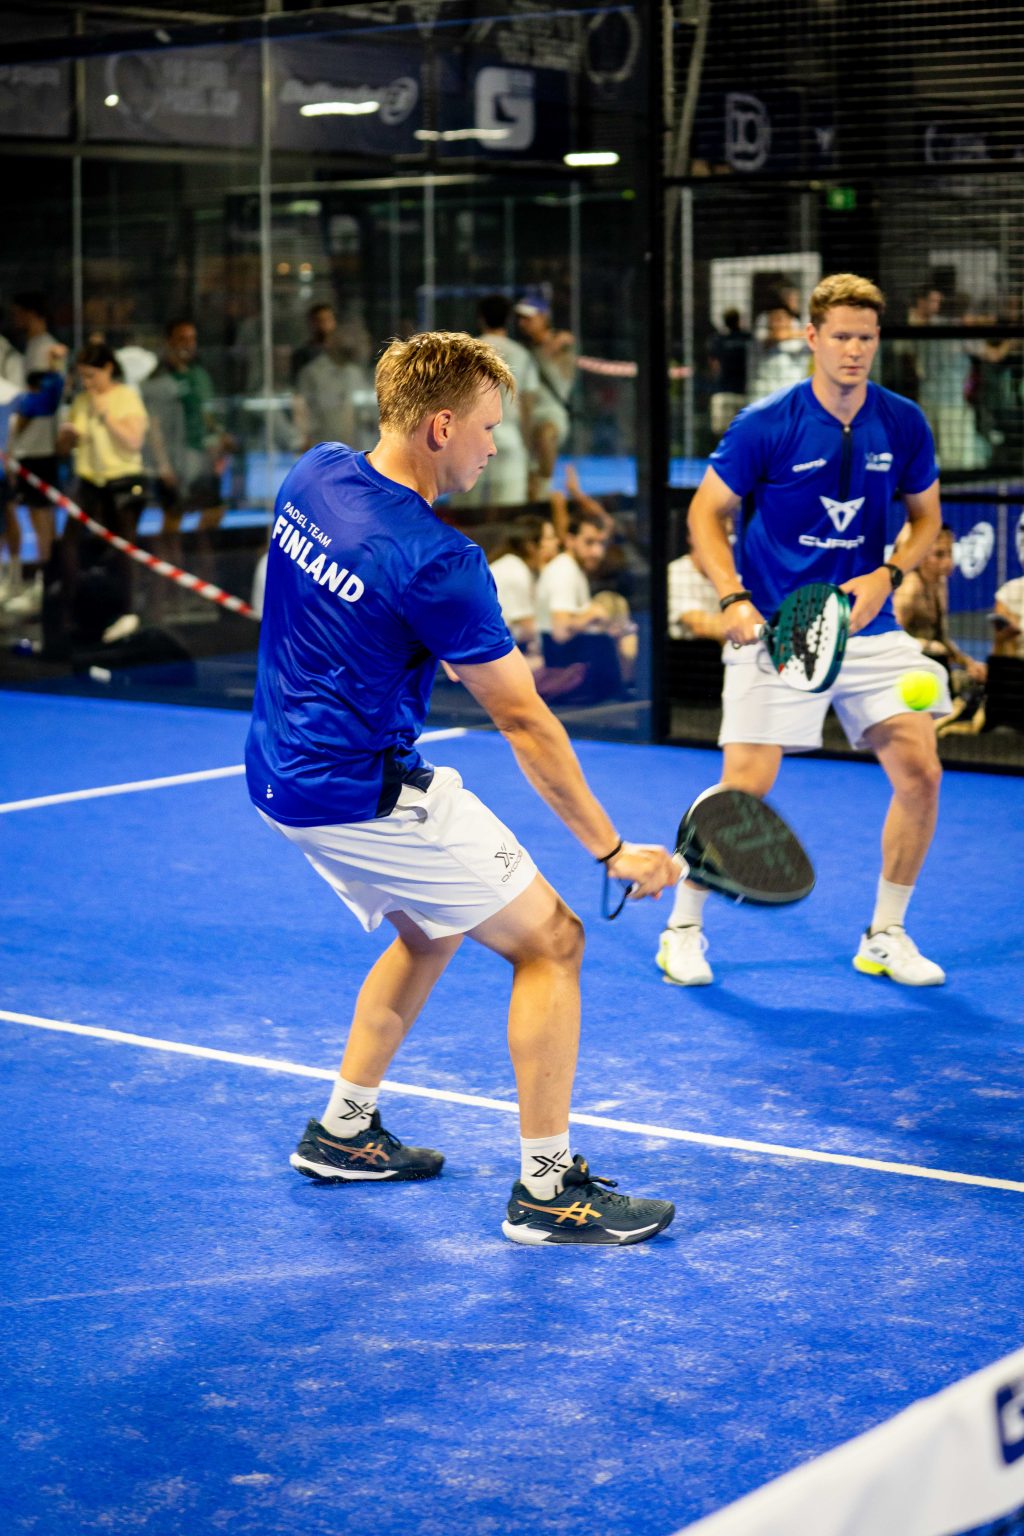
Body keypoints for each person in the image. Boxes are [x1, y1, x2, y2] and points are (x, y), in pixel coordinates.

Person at [245, 330, 678, 1247]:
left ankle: (344, 1132)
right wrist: (613, 850)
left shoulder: (314, 474)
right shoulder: (440, 561)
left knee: (433, 926)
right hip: (360, 790)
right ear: (440, 426)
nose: (493, 445)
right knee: (553, 942)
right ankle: (548, 1192)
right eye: (487, 427)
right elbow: (525, 722)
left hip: (277, 771)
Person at [657, 272, 951, 990]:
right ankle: (681, 931)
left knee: (921, 773)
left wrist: (889, 574)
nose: (854, 350)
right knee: (743, 788)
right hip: (778, 631)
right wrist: (732, 597)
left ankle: (885, 935)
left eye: (866, 337)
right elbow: (704, 514)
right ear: (813, 338)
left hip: (870, 627)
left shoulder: (903, 421)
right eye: (841, 336)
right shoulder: (767, 422)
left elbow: (927, 519)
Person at [52, 342, 149, 647]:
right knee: (70, 542)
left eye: (91, 375)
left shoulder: (126, 397)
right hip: (90, 481)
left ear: (108, 369)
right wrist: (67, 437)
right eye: (82, 376)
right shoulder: (82, 400)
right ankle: (69, 607)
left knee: (124, 547)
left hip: (122, 481)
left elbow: (133, 442)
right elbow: (64, 448)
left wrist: (105, 415)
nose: (87, 382)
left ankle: (128, 610)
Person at [535, 506, 635, 700]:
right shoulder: (564, 571)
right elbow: (560, 632)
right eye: (589, 542)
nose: (597, 551)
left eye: (601, 543)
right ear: (570, 540)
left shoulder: (572, 569)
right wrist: (593, 614)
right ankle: (628, 686)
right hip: (565, 669)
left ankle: (628, 686)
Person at [4, 294, 64, 612]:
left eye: (19, 313)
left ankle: (47, 583)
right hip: (30, 448)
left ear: (32, 314)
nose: (15, 319)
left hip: (38, 448)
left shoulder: (44, 349)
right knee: (36, 515)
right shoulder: (32, 348)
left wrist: (11, 439)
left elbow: (40, 401)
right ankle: (45, 581)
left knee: (42, 517)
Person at [450, 293, 538, 508]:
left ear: (480, 318)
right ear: (508, 320)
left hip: (470, 443)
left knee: (465, 516)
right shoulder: (522, 355)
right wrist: (530, 455)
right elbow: (527, 407)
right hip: (510, 442)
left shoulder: (465, 353)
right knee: (508, 514)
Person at [893, 523, 987, 695]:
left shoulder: (940, 583)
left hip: (933, 665)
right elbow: (892, 637)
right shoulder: (909, 588)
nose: (948, 562)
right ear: (920, 556)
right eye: (939, 554)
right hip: (907, 671)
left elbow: (942, 638)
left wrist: (969, 663)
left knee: (982, 677)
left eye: (950, 553)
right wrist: (927, 645)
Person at [514, 298, 576, 500]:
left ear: (543, 318)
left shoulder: (561, 344)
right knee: (528, 483)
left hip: (551, 413)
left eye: (528, 318)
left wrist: (557, 342)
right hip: (526, 416)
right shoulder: (522, 348)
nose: (522, 323)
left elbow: (566, 349)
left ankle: (545, 486)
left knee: (546, 434)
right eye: (520, 318)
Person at [707, 309, 750, 437]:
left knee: (722, 432)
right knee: (743, 431)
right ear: (738, 320)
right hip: (744, 390)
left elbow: (713, 365)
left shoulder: (717, 339)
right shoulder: (746, 338)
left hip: (723, 390)